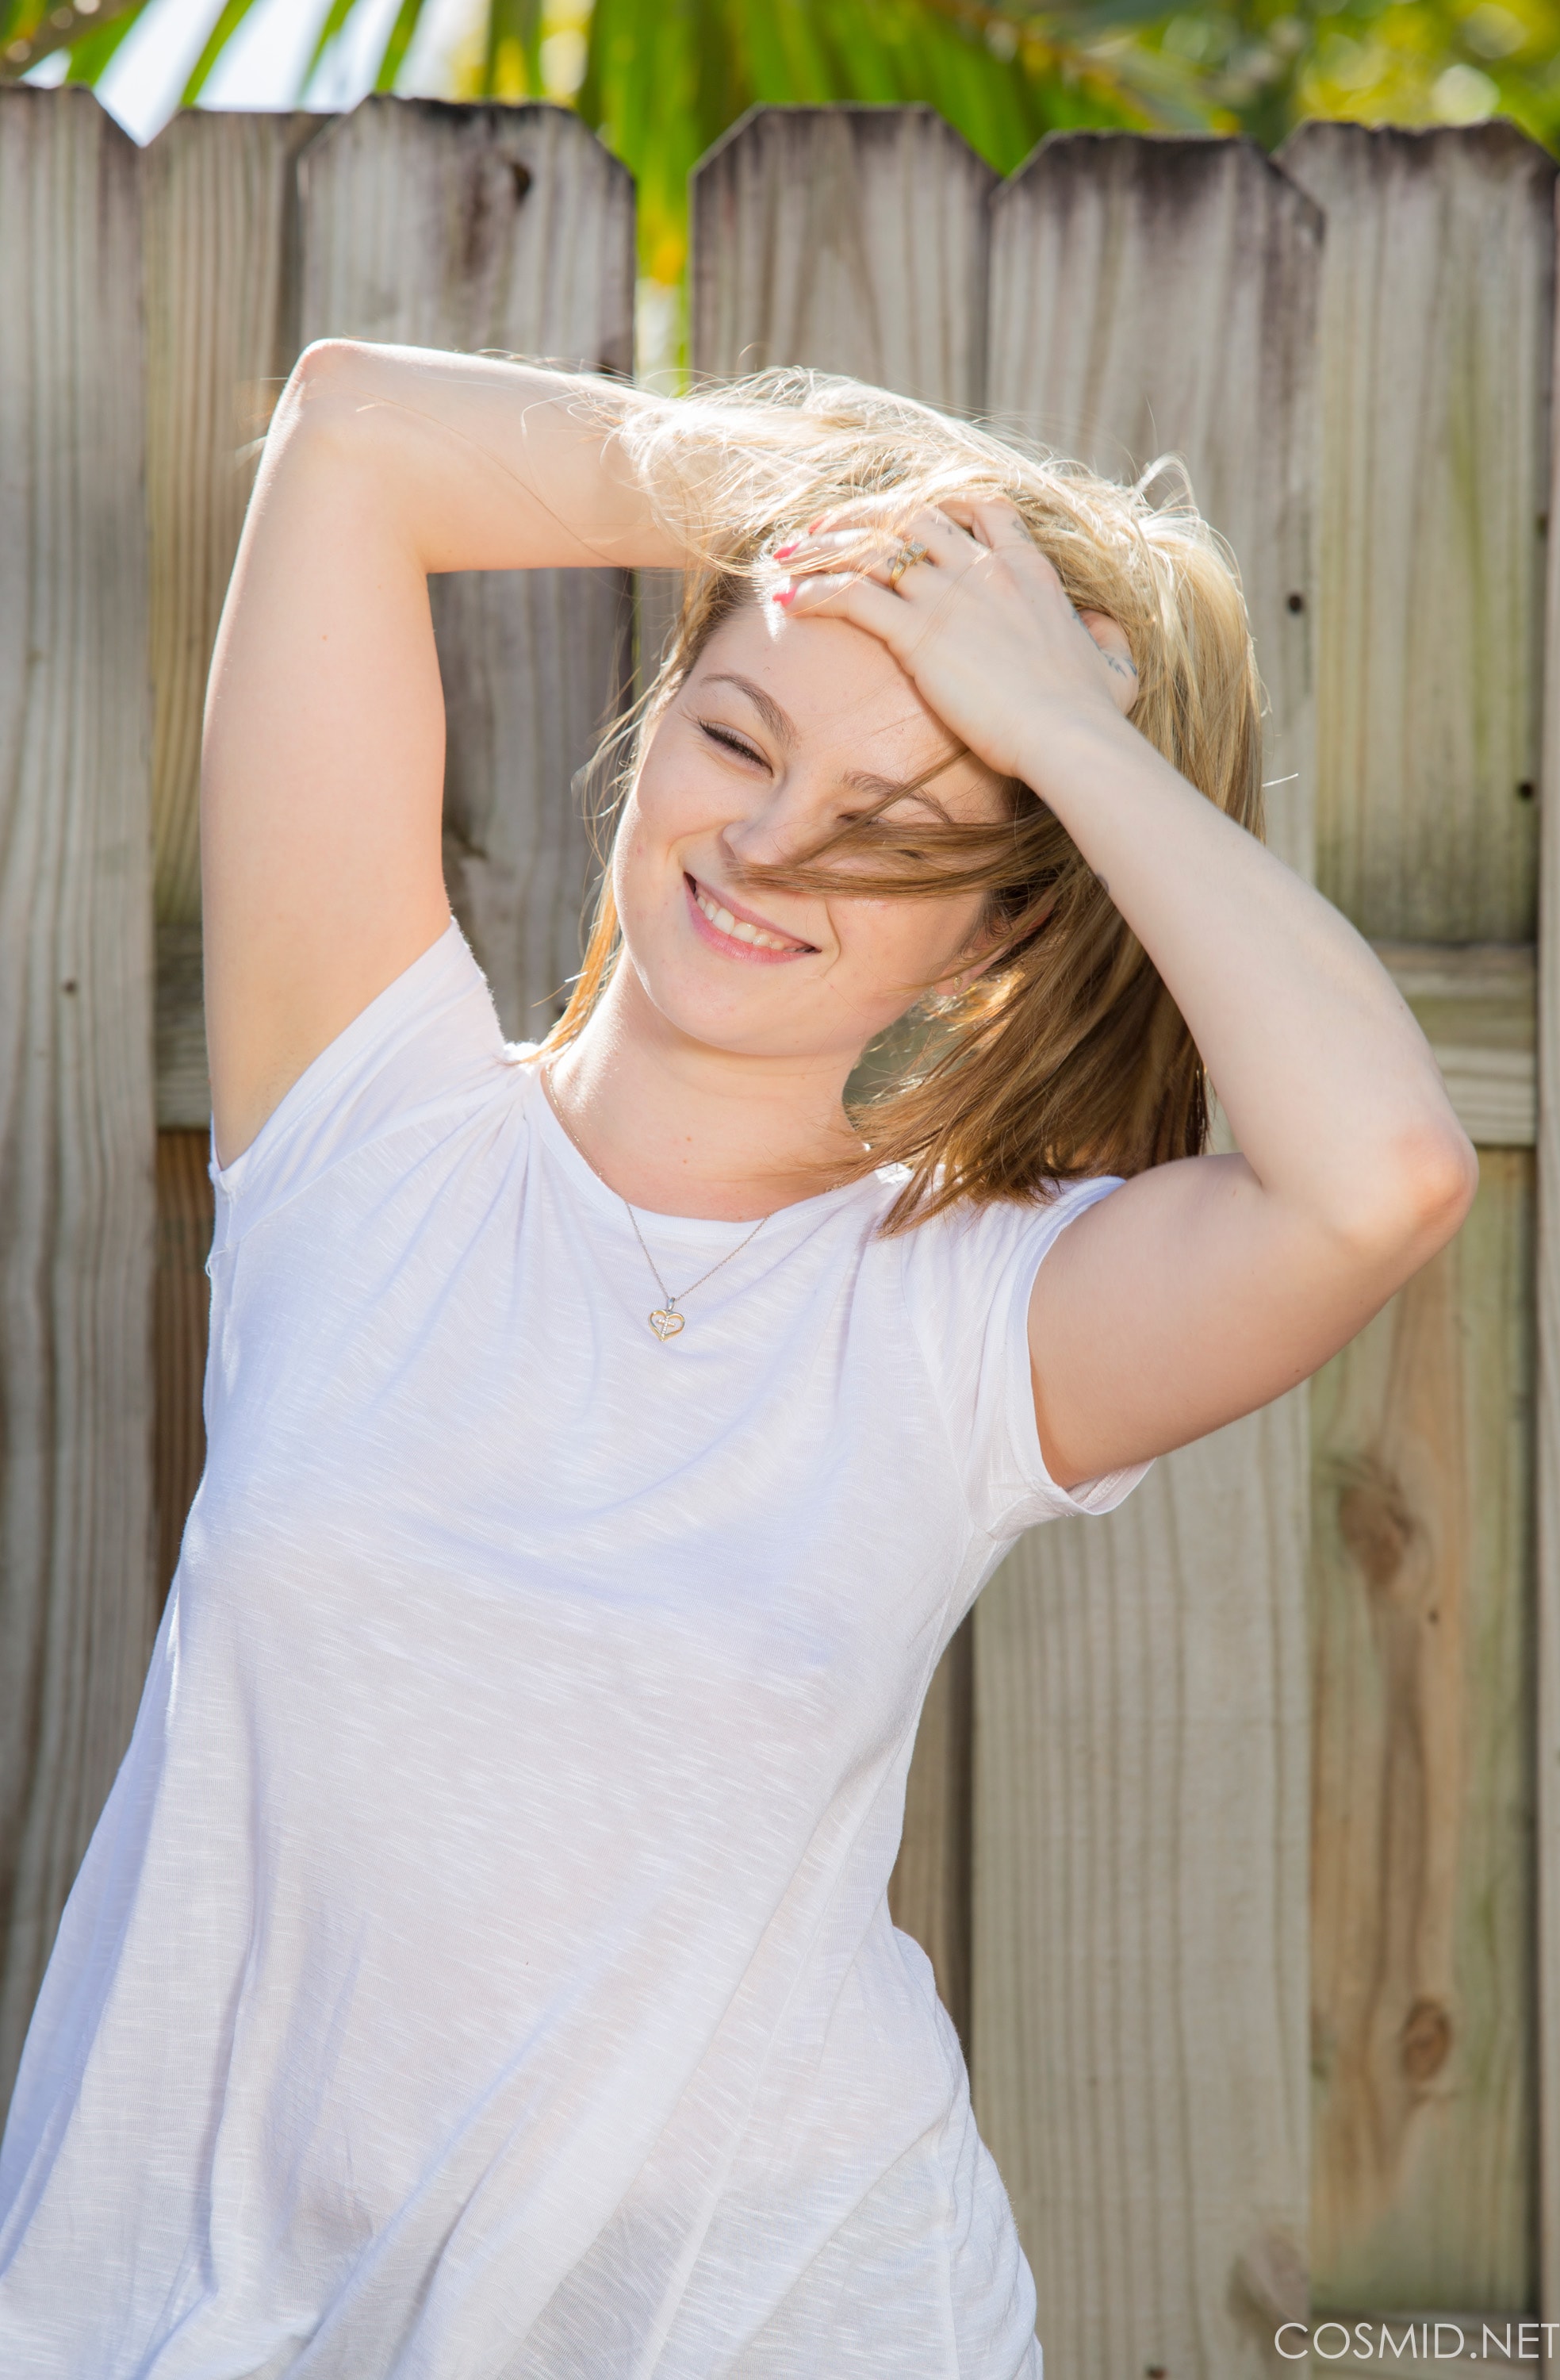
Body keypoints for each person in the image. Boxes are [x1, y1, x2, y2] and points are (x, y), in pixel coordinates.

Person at [0, 346, 1475, 2378]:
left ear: (997, 925)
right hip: (200, 2315)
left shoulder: (977, 1317)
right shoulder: (371, 1136)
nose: (768, 846)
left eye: (898, 824)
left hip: (776, 2317)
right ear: (654, 723)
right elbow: (350, 431)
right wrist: (847, 501)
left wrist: (1053, 714)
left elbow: (1382, 1176)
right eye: (735, 736)